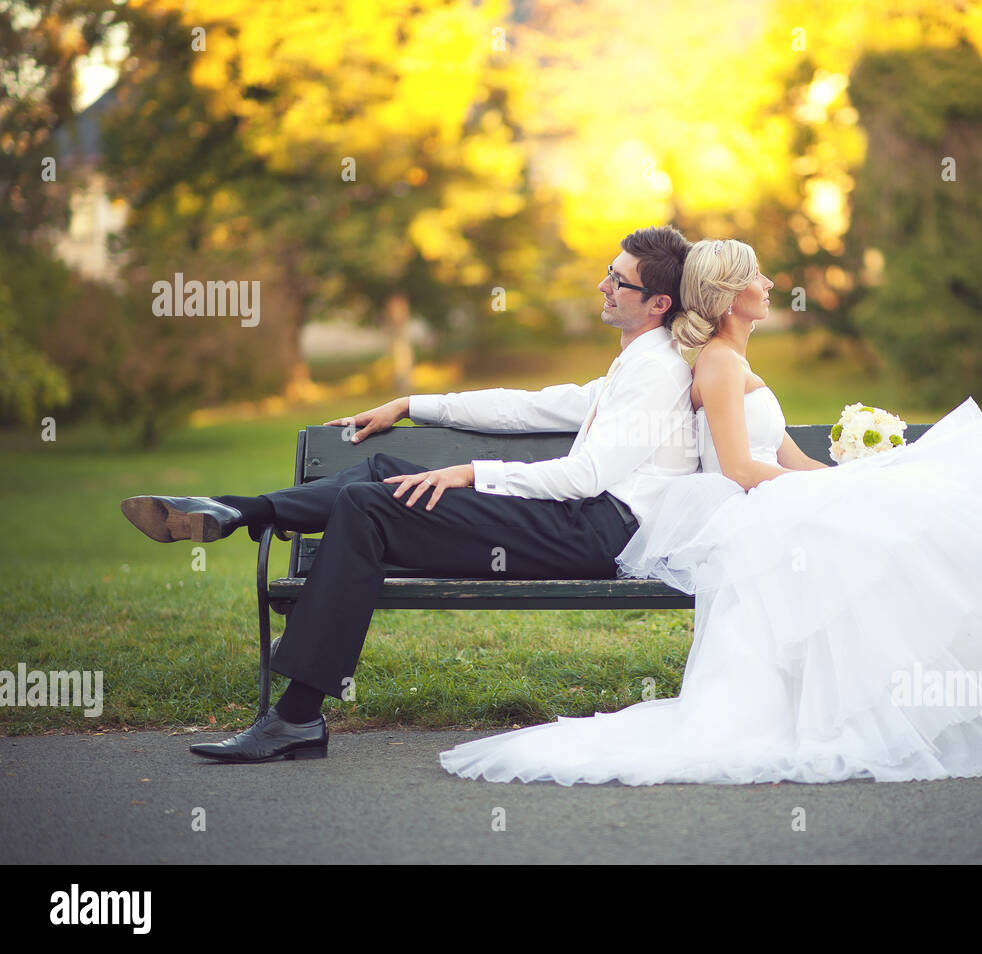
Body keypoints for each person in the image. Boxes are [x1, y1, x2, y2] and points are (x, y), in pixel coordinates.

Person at [438, 238, 982, 785]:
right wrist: (825, 491)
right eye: (759, 279)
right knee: (922, 501)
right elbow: (737, 467)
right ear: (734, 295)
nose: (770, 287)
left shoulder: (732, 360)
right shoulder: (716, 362)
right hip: (737, 512)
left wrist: (846, 471)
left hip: (763, 500)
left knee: (922, 481)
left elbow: (788, 459)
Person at [120, 226, 700, 763]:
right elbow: (527, 406)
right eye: (608, 270)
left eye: (618, 281)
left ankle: (296, 716)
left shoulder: (656, 371)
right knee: (380, 471)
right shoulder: (635, 364)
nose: (603, 285)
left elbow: (586, 476)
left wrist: (471, 472)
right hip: (577, 522)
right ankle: (241, 510)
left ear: (658, 304)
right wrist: (412, 404)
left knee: (368, 507)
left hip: (596, 533)